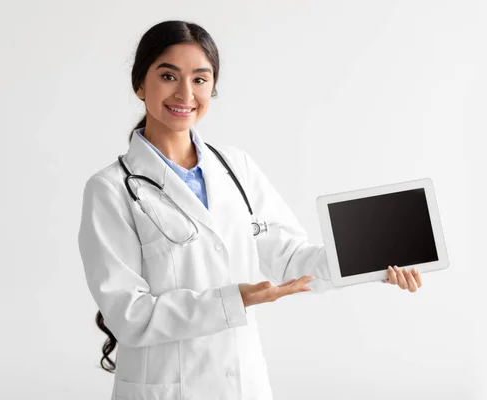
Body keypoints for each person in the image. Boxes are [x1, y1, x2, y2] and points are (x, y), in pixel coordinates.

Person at [77, 20, 423, 400]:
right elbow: (129, 316)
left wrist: (371, 260)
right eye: (168, 75)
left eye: (200, 79)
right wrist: (233, 300)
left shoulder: (236, 168)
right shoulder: (110, 189)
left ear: (213, 87)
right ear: (140, 84)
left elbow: (292, 260)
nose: (185, 93)